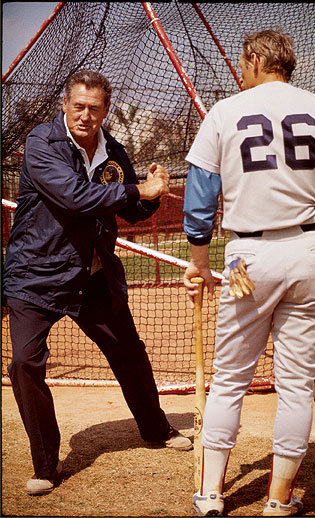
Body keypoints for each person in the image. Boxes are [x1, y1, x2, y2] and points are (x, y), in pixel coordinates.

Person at [3, 69, 192, 496]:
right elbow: (74, 197)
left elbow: (135, 210)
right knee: (24, 365)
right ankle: (46, 466)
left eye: (95, 108)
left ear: (106, 111)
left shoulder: (113, 152)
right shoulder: (41, 143)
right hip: (36, 275)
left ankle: (157, 429)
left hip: (91, 276)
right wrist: (136, 191)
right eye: (79, 106)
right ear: (65, 106)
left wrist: (156, 190)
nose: (86, 116)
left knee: (129, 352)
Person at [183, 30, 315, 517]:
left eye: (242, 62)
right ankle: (278, 500)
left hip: (247, 258)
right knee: (296, 384)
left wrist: (199, 261)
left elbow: (201, 196)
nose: (241, 70)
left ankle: (210, 495)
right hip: (313, 249)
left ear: (254, 60)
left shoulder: (225, 111)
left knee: (229, 380)